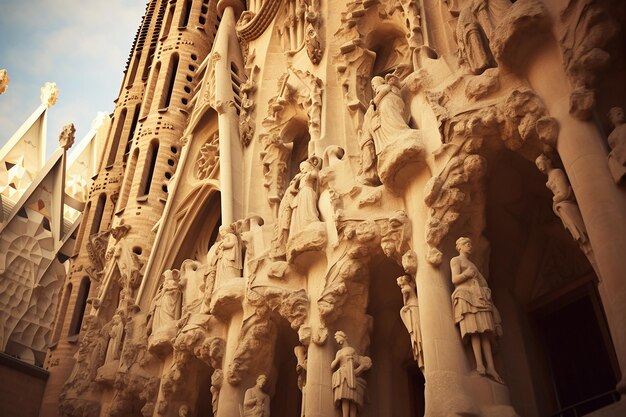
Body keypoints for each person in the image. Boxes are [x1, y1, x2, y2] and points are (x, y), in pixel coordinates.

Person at [450, 237, 503, 383]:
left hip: (478, 297)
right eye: (467, 244)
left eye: (470, 244)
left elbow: (482, 281)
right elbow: (455, 279)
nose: (469, 246)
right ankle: (479, 364)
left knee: (485, 331)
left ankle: (491, 366)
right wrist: (467, 275)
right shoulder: (456, 260)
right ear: (459, 247)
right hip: (466, 297)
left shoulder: (472, 263)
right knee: (474, 331)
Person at [331, 331, 371, 417]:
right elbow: (332, 366)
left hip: (350, 375)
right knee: (344, 397)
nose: (337, 340)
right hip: (342, 375)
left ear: (343, 337)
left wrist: (360, 366)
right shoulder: (339, 352)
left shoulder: (351, 350)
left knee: (353, 398)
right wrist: (338, 359)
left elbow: (357, 362)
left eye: (338, 338)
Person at [608, 107, 626, 184]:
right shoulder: (610, 137)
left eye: (622, 114)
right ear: (612, 119)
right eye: (618, 114)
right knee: (611, 158)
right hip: (621, 151)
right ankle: (622, 173)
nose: (622, 115)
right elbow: (613, 146)